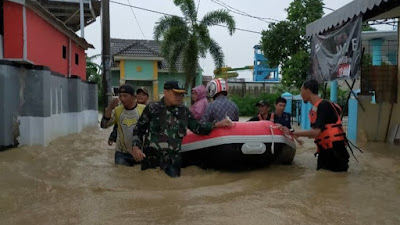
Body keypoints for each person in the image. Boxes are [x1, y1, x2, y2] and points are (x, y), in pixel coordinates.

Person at [130, 80, 233, 177]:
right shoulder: (152, 108)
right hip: (151, 161)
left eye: (181, 94)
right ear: (165, 92)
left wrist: (216, 125)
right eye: (176, 94)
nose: (179, 97)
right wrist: (136, 147)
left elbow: (198, 128)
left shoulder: (184, 112)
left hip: (173, 164)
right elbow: (138, 129)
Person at [281, 79, 350, 172]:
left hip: (335, 151)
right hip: (324, 150)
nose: (301, 94)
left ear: (308, 91)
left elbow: (316, 133)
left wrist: (291, 131)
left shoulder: (324, 105)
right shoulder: (316, 109)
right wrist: (296, 135)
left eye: (302, 91)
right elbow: (314, 133)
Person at [101, 84, 146, 166]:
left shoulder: (144, 109)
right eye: (120, 96)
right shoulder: (117, 110)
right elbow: (104, 125)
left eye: (125, 96)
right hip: (122, 154)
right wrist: (110, 108)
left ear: (133, 97)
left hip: (139, 152)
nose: (122, 99)